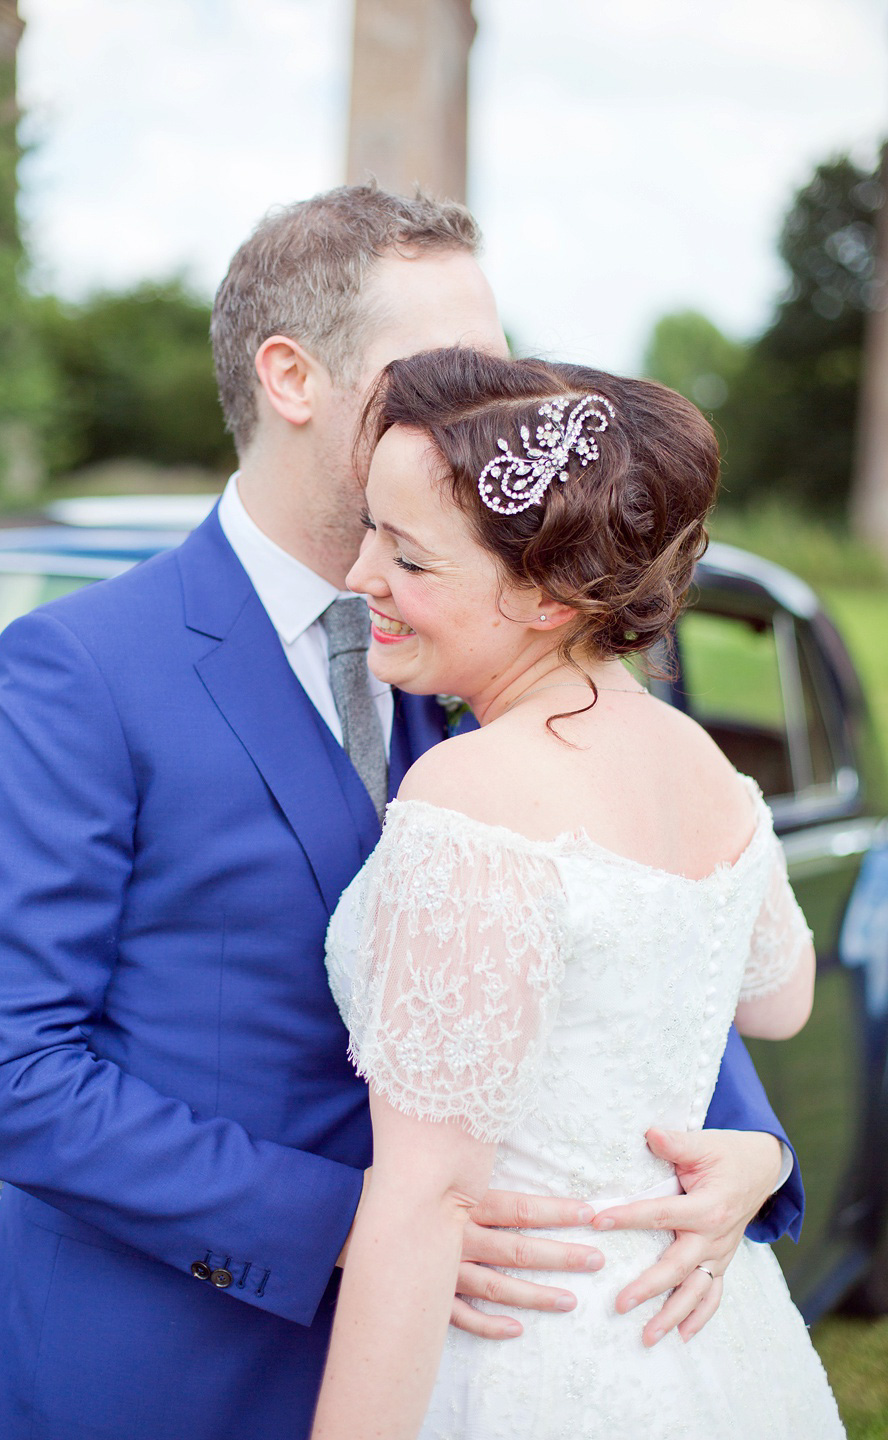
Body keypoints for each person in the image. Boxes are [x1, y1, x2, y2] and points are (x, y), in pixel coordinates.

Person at [0, 188, 800, 1440]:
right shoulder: (86, 667)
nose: (486, 406)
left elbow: (621, 919)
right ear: (292, 377)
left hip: (488, 1366)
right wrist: (365, 1222)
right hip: (176, 1364)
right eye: (443, 367)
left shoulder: (488, 636)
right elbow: (0, 1072)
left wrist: (753, 1149)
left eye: (492, 368)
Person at [314, 347, 845, 1440]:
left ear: (549, 596)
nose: (363, 575)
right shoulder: (710, 768)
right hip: (707, 1338)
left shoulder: (471, 790)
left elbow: (421, 1206)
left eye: (407, 556)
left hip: (530, 1354)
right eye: (370, 530)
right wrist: (749, 1147)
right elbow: (776, 1002)